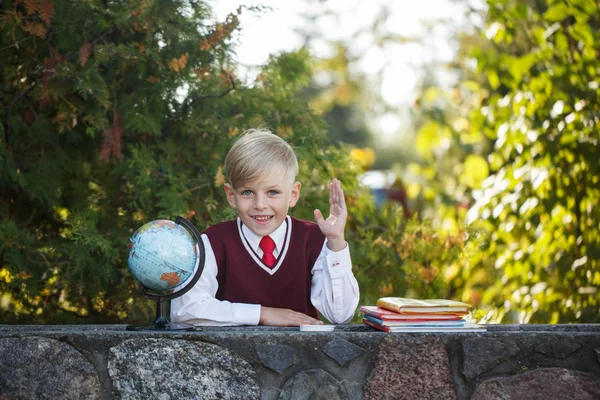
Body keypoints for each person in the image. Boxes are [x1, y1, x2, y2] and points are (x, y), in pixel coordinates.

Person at [170, 129, 359, 326]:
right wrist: (261, 314)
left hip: (303, 354)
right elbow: (184, 310)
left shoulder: (313, 240)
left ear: (293, 194)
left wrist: (336, 242)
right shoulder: (214, 242)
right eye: (247, 192)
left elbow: (340, 315)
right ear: (231, 195)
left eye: (273, 192)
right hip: (231, 355)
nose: (260, 204)